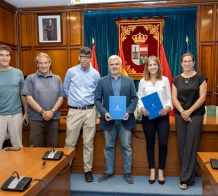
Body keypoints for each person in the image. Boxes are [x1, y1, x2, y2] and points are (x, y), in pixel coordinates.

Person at [94, 55, 138, 184]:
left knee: (126, 147)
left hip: (125, 119)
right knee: (108, 147)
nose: (114, 66)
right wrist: (104, 113)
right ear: (109, 66)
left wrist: (129, 112)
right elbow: (97, 100)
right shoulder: (102, 81)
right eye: (112, 64)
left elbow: (134, 99)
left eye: (116, 64)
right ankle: (108, 172)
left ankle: (127, 173)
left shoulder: (129, 81)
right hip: (108, 119)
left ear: (120, 65)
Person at [63, 47, 100, 182]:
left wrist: (96, 112)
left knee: (88, 142)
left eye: (87, 57)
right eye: (82, 56)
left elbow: (98, 93)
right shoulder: (71, 72)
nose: (85, 59)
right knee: (69, 142)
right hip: (74, 111)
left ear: (90, 58)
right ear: (79, 58)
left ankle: (88, 170)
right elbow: (65, 89)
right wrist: (75, 101)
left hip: (90, 111)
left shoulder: (95, 74)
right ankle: (66, 169)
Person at [172, 53, 207, 190]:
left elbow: (202, 97)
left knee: (191, 144)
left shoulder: (200, 78)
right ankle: (188, 173)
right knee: (182, 144)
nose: (187, 64)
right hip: (180, 114)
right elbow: (174, 98)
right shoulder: (176, 79)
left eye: (189, 61)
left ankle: (185, 178)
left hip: (196, 114)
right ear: (181, 64)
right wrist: (182, 112)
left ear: (193, 63)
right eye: (184, 61)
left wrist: (189, 111)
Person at [137, 56, 172, 185]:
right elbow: (139, 98)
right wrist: (141, 108)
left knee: (163, 144)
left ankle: (161, 170)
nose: (152, 67)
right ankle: (152, 170)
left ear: (158, 66)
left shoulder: (165, 80)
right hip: (148, 118)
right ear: (147, 67)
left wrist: (168, 107)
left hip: (162, 117)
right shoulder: (142, 82)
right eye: (150, 65)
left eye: (154, 65)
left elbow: (169, 98)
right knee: (150, 144)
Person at [22, 53, 64, 147]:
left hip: (53, 118)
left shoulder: (57, 79)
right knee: (35, 146)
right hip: (36, 118)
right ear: (37, 64)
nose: (43, 65)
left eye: (45, 63)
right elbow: (28, 98)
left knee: (52, 145)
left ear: (50, 63)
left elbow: (61, 97)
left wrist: (52, 111)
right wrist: (43, 112)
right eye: (40, 63)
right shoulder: (30, 78)